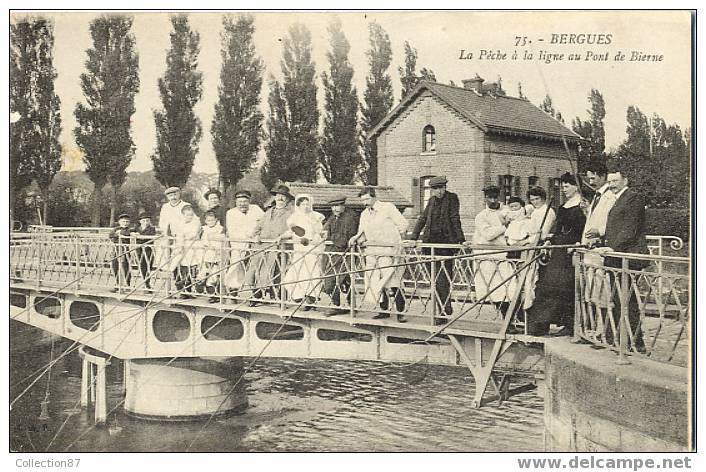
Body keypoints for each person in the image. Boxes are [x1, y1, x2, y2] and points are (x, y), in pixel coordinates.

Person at [594, 169, 648, 352]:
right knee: (619, 298)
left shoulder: (633, 198)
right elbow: (616, 227)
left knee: (627, 300)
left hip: (628, 257)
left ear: (626, 179)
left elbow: (630, 228)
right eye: (609, 182)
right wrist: (603, 241)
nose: (612, 184)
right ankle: (618, 339)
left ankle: (633, 342)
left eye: (615, 180)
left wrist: (613, 247)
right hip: (617, 257)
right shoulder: (617, 199)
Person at [526, 174, 586, 336]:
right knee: (548, 283)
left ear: (576, 186)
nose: (564, 189)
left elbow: (583, 228)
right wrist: (548, 242)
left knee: (565, 286)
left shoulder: (582, 205)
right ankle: (540, 323)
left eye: (567, 186)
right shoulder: (563, 205)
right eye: (563, 186)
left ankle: (569, 324)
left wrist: (577, 245)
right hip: (558, 248)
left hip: (571, 249)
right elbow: (558, 228)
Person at [409, 176, 465, 324]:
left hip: (445, 245)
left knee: (443, 279)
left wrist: (460, 240)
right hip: (430, 244)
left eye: (442, 188)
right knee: (433, 279)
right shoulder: (432, 201)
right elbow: (422, 219)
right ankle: (441, 309)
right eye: (436, 189)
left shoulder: (452, 198)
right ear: (432, 190)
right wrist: (414, 237)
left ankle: (444, 309)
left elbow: (454, 218)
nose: (440, 191)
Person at [349, 187, 408, 323]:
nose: (365, 203)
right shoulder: (364, 214)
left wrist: (395, 240)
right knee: (375, 280)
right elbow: (362, 232)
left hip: (388, 250)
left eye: (367, 199)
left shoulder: (387, 208)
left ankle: (400, 311)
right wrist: (355, 238)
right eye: (363, 200)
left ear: (374, 197)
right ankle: (383, 310)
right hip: (372, 250)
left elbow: (403, 224)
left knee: (392, 280)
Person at [243, 184, 295, 305]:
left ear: (287, 199)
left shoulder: (291, 214)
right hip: (262, 246)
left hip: (279, 248)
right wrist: (255, 236)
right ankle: (257, 294)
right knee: (256, 270)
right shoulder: (268, 212)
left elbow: (297, 230)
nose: (280, 199)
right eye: (278, 196)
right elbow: (258, 227)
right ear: (275, 198)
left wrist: (284, 236)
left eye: (283, 197)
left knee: (275, 272)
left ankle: (276, 298)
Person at [471, 185, 513, 316]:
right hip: (486, 255)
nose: (493, 201)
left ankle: (511, 319)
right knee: (493, 289)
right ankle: (506, 320)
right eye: (490, 198)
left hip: (503, 253)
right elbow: (488, 235)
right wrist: (504, 226)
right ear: (485, 198)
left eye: (496, 197)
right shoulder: (481, 216)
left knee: (509, 287)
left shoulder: (507, 210)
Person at [281, 195, 326, 310]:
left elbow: (319, 233)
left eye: (307, 204)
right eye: (303, 204)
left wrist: (311, 240)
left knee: (311, 274)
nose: (306, 207)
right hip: (299, 251)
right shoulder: (294, 218)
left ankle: (311, 299)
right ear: (298, 206)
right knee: (292, 276)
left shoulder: (315, 217)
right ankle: (299, 297)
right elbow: (293, 232)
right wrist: (281, 237)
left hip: (312, 250)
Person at [321, 194, 358, 314]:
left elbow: (344, 240)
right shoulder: (333, 217)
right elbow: (324, 231)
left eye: (337, 206)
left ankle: (338, 306)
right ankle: (347, 304)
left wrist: (330, 236)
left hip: (344, 254)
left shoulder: (350, 218)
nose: (335, 209)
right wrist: (325, 234)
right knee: (335, 278)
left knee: (335, 279)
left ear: (343, 206)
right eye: (333, 206)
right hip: (332, 253)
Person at [224, 190, 264, 294]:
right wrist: (248, 235)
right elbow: (232, 231)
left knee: (256, 266)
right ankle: (233, 290)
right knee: (236, 266)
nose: (243, 204)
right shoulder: (231, 213)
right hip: (239, 243)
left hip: (255, 243)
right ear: (236, 202)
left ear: (249, 201)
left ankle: (257, 292)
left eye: (245, 201)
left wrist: (258, 234)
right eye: (240, 201)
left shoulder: (256, 209)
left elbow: (263, 223)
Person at [158, 186, 190, 290]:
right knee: (170, 262)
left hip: (183, 238)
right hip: (169, 239)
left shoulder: (186, 205)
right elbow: (162, 222)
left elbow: (190, 221)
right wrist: (163, 231)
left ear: (179, 194)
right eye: (171, 195)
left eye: (175, 194)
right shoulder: (165, 207)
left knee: (184, 262)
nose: (173, 197)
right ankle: (174, 288)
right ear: (167, 197)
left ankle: (186, 289)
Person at [172, 204, 202, 298]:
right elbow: (180, 237)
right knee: (183, 269)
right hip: (184, 247)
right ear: (183, 215)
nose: (189, 217)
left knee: (192, 269)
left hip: (193, 247)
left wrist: (193, 236)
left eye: (191, 215)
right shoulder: (180, 224)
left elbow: (197, 233)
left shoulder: (196, 222)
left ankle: (189, 290)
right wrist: (180, 247)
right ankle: (182, 291)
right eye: (187, 215)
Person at [200, 209, 225, 303]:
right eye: (208, 220)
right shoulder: (205, 229)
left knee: (216, 274)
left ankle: (217, 295)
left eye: (212, 220)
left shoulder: (220, 228)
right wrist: (208, 245)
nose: (210, 222)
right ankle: (211, 294)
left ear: (216, 219)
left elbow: (222, 239)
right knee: (208, 274)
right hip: (209, 254)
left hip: (218, 254)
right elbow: (204, 241)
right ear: (205, 221)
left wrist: (216, 246)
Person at [109, 213, 133, 291]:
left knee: (126, 267)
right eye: (123, 221)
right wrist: (116, 234)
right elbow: (111, 235)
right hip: (116, 250)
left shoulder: (130, 229)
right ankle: (117, 284)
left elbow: (127, 234)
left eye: (127, 222)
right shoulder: (116, 229)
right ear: (119, 222)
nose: (125, 223)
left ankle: (127, 284)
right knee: (115, 267)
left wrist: (119, 233)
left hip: (126, 251)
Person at [134, 212, 156, 290]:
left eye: (147, 221)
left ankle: (147, 283)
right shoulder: (136, 228)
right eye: (144, 221)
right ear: (140, 221)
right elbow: (128, 232)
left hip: (148, 250)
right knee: (141, 266)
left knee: (148, 266)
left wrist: (139, 236)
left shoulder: (152, 229)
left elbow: (150, 237)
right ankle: (144, 282)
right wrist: (133, 234)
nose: (146, 222)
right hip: (139, 250)